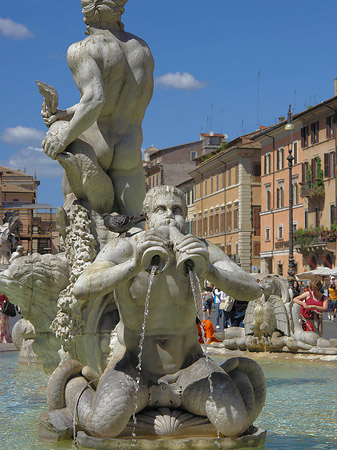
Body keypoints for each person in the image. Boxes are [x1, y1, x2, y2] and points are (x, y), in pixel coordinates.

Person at [53, 185, 264, 438]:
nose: (169, 217)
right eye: (160, 210)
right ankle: (77, 386)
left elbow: (253, 289)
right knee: (101, 426)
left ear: (185, 217)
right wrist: (133, 265)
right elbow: (81, 287)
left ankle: (167, 425)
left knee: (235, 424)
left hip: (190, 368)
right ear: (148, 218)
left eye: (177, 211)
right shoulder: (126, 247)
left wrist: (210, 270)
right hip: (135, 368)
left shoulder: (202, 250)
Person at [41, 0, 154, 216]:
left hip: (95, 145)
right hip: (130, 147)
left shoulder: (82, 49)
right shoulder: (142, 50)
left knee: (81, 222)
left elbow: (95, 100)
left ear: (87, 14)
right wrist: (65, 114)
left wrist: (62, 137)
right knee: (135, 229)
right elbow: (116, 99)